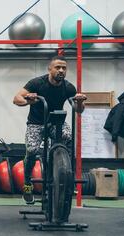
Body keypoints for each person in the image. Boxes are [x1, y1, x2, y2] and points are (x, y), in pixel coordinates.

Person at [13, 55, 86, 205]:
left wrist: (79, 102)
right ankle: (27, 184)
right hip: (36, 123)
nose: (61, 70)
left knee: (68, 136)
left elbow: (79, 110)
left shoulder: (68, 87)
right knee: (32, 150)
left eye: (64, 68)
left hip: (55, 122)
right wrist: (28, 100)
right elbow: (16, 99)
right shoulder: (37, 83)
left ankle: (66, 177)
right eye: (57, 67)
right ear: (50, 69)